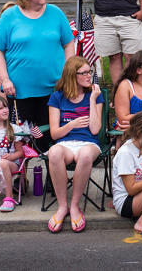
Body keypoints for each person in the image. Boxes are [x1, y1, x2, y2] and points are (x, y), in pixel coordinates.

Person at [0, 0, 75, 150]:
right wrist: (4, 78)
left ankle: (51, 176)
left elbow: (69, 44)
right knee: (19, 138)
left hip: (53, 89)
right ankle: (20, 176)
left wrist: (67, 72)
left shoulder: (56, 13)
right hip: (18, 90)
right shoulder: (10, 16)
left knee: (49, 137)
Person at [45, 56, 104, 233]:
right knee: (54, 152)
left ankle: (75, 205)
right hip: (65, 144)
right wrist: (72, 124)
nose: (89, 76)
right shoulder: (57, 98)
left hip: (89, 143)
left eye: (90, 72)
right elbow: (55, 133)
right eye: (84, 72)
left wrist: (93, 99)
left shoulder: (94, 96)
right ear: (72, 75)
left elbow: (95, 130)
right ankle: (62, 206)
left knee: (85, 155)